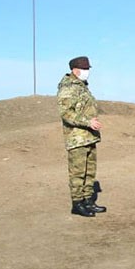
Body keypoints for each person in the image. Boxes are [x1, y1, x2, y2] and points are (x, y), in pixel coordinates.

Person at [58, 56, 105, 217]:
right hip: (77, 138)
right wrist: (87, 122)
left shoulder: (82, 86)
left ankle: (88, 201)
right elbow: (66, 113)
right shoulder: (68, 87)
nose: (87, 72)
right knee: (78, 172)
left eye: (88, 69)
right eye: (85, 69)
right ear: (75, 70)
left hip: (89, 137)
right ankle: (77, 203)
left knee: (89, 171)